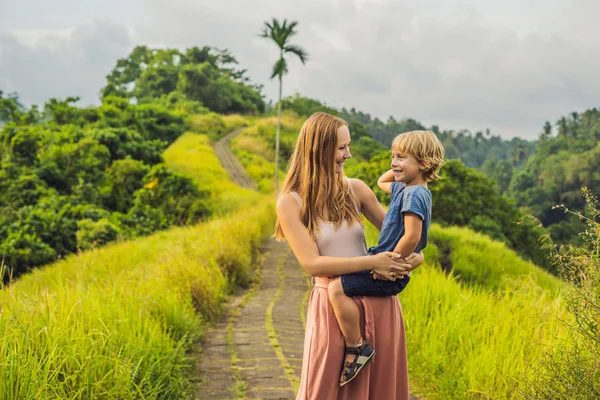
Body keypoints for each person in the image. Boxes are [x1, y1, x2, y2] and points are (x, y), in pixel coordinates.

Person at [275, 112, 424, 399]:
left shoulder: (356, 190)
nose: (348, 154)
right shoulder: (290, 202)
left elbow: (405, 238)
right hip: (331, 306)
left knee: (381, 390)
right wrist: (373, 261)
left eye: (348, 146)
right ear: (319, 149)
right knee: (324, 389)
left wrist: (413, 259)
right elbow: (312, 264)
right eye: (342, 148)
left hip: (380, 304)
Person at [328, 130, 445, 386]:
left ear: (423, 163)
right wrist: (402, 166)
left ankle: (356, 347)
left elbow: (412, 236)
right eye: (393, 157)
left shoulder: (414, 194)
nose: (393, 164)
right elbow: (382, 181)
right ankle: (355, 343)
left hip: (390, 267)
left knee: (336, 289)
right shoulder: (407, 188)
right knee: (345, 273)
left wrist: (389, 263)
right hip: (385, 258)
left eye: (401, 157)